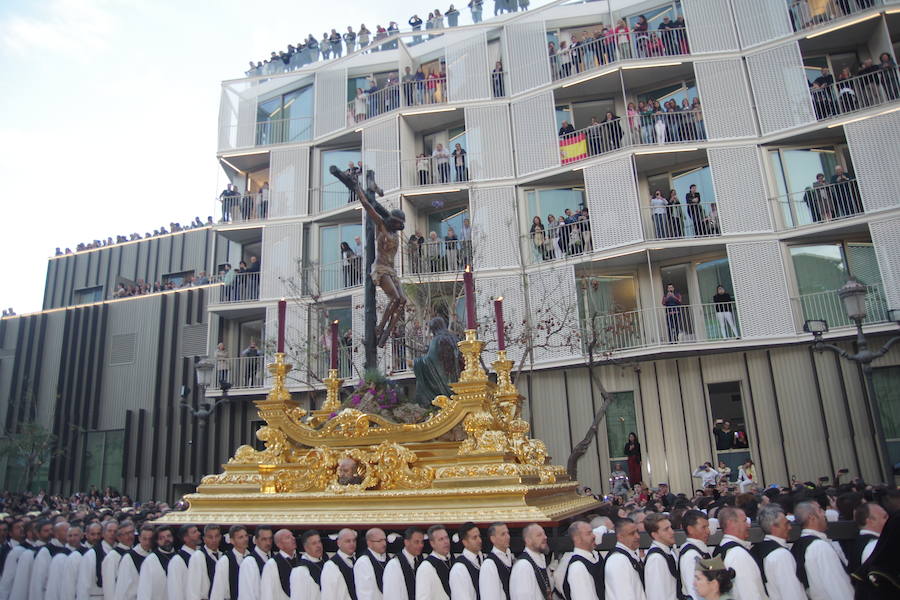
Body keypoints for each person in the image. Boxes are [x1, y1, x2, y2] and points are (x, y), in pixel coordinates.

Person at [791, 501, 854, 600]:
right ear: (811, 517)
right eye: (820, 510)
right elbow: (836, 584)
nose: (824, 513)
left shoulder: (798, 544)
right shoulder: (819, 547)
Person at [752, 504, 805, 600]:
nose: (790, 528)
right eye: (786, 524)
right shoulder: (781, 555)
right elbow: (791, 592)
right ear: (774, 527)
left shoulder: (758, 549)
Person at [713, 507, 767, 600]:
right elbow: (748, 593)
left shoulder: (721, 549)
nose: (749, 526)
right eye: (745, 521)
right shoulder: (738, 554)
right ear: (731, 523)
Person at [605, 518, 645, 600]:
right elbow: (623, 595)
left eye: (637, 532)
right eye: (632, 533)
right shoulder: (618, 560)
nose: (637, 536)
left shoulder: (628, 556)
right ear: (620, 537)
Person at [509, 524, 552, 600]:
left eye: (544, 534)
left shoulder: (540, 560)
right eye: (539, 535)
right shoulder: (523, 566)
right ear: (528, 540)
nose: (545, 537)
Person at [560, 521, 601, 600]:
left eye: (592, 532)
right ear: (577, 539)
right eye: (589, 533)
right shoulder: (577, 567)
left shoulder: (594, 557)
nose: (593, 536)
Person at [113, 523, 153, 600]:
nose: (147, 542)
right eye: (144, 539)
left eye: (150, 539)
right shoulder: (129, 558)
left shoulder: (154, 556)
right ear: (139, 538)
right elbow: (122, 586)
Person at [382, 527, 424, 600]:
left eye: (422, 542)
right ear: (406, 542)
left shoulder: (420, 562)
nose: (421, 545)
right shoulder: (394, 565)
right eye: (416, 542)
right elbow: (391, 595)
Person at [644, 513, 678, 600]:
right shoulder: (656, 559)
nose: (672, 532)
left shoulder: (666, 553)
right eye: (666, 529)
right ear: (655, 535)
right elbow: (656, 594)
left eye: (671, 527)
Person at [679, 510, 712, 600]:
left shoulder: (701, 550)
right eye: (703, 527)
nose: (708, 531)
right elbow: (694, 591)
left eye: (708, 527)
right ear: (690, 529)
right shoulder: (691, 555)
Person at [136, 526, 174, 600]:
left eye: (168, 536)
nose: (166, 539)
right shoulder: (150, 561)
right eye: (161, 538)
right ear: (157, 541)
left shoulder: (179, 558)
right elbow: (144, 590)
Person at [848, 502, 887, 573]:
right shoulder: (875, 545)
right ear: (870, 521)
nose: (889, 519)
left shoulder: (856, 542)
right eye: (885, 517)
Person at [415, 524, 452, 600]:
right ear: (432, 543)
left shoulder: (452, 561)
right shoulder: (426, 567)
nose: (446, 542)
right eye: (441, 539)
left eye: (446, 538)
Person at [187, 524, 222, 600]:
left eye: (216, 536)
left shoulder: (222, 556)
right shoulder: (198, 556)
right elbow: (193, 588)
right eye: (210, 537)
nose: (214, 540)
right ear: (204, 539)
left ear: (220, 537)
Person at [260, 529, 297, 600]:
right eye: (288, 537)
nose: (293, 538)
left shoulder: (300, 559)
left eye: (292, 536)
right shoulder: (271, 564)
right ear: (279, 544)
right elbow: (267, 593)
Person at [479, 523, 512, 600]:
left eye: (508, 533)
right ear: (493, 539)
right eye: (503, 534)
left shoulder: (509, 558)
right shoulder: (489, 564)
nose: (507, 537)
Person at [449, 523, 482, 600]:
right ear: (465, 542)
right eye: (474, 538)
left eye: (479, 536)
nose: (479, 540)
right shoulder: (459, 569)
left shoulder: (482, 560)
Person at [168, 524, 201, 600]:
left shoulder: (200, 555)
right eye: (194, 532)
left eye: (198, 531)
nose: (199, 533)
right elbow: (175, 590)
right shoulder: (177, 561)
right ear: (186, 538)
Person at [353, 528, 387, 600]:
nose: (384, 544)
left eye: (384, 540)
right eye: (380, 541)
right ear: (369, 543)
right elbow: (364, 593)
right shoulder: (363, 562)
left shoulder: (387, 559)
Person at [291, 529, 325, 600]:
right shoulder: (300, 571)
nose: (318, 546)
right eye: (314, 543)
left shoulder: (325, 562)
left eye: (319, 542)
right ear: (306, 547)